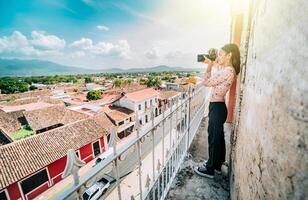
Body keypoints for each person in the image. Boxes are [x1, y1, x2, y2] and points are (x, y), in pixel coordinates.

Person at [194, 43, 241, 178]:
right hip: (219, 107)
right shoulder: (228, 69)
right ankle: (217, 165)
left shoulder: (228, 71)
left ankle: (210, 169)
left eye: (221, 54)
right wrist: (213, 61)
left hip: (217, 107)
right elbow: (219, 66)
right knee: (218, 138)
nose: (219, 56)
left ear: (229, 55)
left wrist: (209, 66)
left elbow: (207, 82)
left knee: (213, 139)